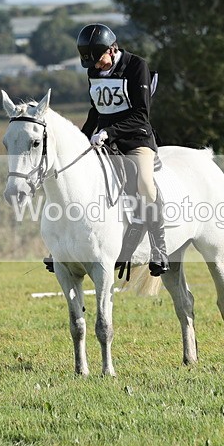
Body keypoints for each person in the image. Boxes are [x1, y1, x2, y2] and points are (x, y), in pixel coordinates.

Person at [76, 23, 169, 277]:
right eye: (92, 63)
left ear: (112, 49)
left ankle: (159, 248)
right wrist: (82, 138)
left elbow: (141, 114)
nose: (96, 66)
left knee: (145, 184)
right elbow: (96, 110)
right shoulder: (94, 70)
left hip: (136, 139)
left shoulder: (137, 66)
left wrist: (109, 131)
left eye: (99, 60)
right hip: (105, 141)